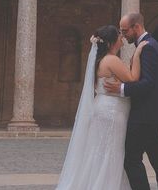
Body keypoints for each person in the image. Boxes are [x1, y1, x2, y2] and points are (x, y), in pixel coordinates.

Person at [56, 24, 147, 190]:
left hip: (105, 107)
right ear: (112, 41)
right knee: (110, 151)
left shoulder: (101, 60)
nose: (122, 38)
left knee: (100, 150)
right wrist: (137, 55)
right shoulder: (111, 59)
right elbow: (133, 79)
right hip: (112, 111)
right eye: (119, 36)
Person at [104, 13, 158, 190]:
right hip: (149, 113)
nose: (123, 34)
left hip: (143, 114)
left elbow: (148, 83)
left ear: (136, 27)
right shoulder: (146, 45)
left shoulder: (148, 47)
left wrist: (121, 89)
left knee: (132, 160)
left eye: (125, 30)